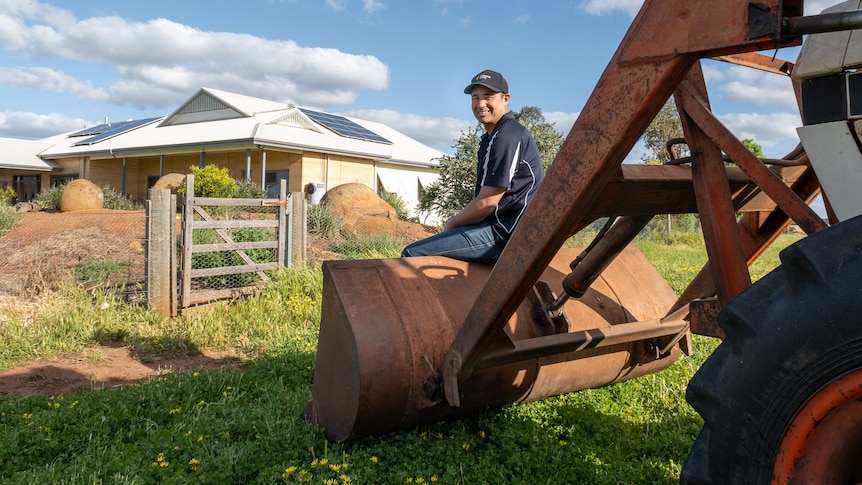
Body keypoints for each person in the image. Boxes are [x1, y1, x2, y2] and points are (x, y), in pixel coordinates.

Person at [401, 69, 544, 265]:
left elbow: (487, 203)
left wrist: (451, 224)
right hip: (498, 229)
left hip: (505, 236)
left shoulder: (507, 136)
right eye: (475, 97)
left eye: (488, 96)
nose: (480, 104)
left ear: (506, 99)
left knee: (412, 254)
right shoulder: (492, 137)